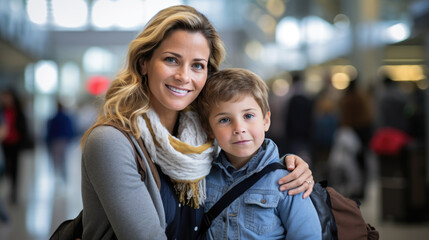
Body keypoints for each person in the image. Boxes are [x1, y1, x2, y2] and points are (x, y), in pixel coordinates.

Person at [80, 5, 314, 240]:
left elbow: (242, 169)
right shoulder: (111, 142)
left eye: (197, 65)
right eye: (171, 60)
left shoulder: (204, 140)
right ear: (144, 63)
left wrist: (285, 168)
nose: (184, 76)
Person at [197, 68, 321, 239]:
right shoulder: (203, 177)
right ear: (209, 129)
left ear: (266, 120)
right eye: (224, 120)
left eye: (248, 115)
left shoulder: (289, 182)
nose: (239, 129)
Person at [0, 88, 29, 204]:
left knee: (15, 168)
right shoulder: (2, 111)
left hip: (15, 143)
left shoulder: (18, 111)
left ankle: (14, 192)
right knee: (5, 168)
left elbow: (23, 127)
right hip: (4, 143)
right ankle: (5, 191)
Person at [46, 100, 76, 183]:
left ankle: (57, 176)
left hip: (55, 141)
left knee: (56, 160)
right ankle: (64, 176)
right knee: (64, 159)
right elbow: (70, 130)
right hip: (64, 141)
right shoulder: (66, 118)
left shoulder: (54, 118)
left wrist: (48, 141)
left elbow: (50, 131)